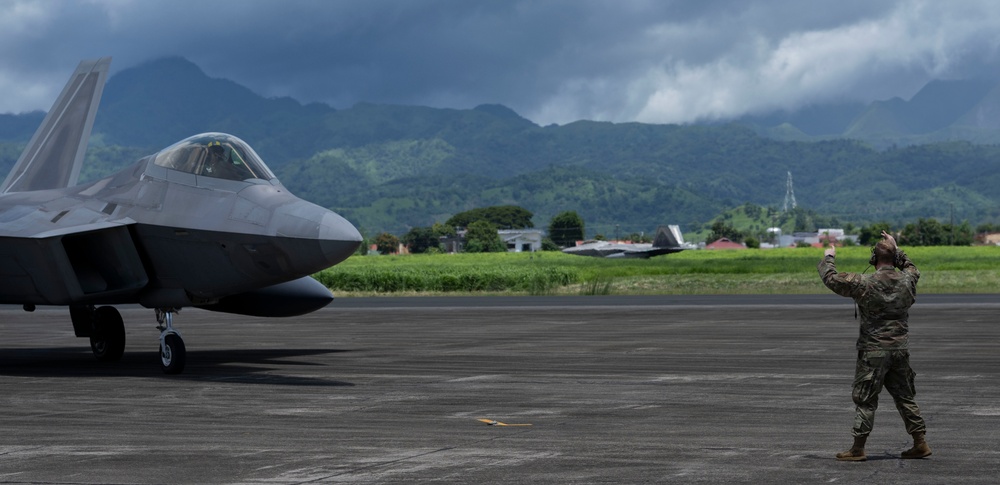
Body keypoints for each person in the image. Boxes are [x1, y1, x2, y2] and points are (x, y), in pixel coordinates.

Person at [817, 231, 932, 461]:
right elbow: (912, 268)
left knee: (866, 399)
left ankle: (858, 448)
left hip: (873, 351)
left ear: (874, 260)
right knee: (905, 396)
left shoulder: (863, 283)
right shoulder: (907, 279)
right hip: (899, 349)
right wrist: (896, 248)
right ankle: (920, 443)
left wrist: (829, 256)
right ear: (894, 258)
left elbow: (831, 279)